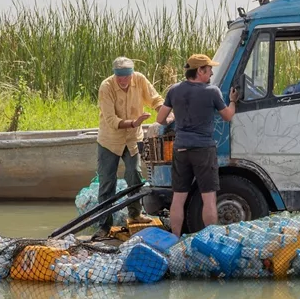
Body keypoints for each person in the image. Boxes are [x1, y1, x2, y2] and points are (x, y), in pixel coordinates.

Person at [157, 53, 239, 237]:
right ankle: (210, 238)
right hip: (203, 149)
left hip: (181, 148)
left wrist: (174, 118)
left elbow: (160, 119)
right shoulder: (212, 91)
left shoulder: (174, 90)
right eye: (209, 70)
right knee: (208, 197)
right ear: (200, 71)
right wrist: (233, 101)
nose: (211, 74)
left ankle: (175, 238)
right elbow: (227, 116)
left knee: (178, 198)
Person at [94, 57, 167, 240]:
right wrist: (134, 122)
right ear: (115, 75)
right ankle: (104, 225)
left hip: (133, 140)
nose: (123, 81)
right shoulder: (106, 86)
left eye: (126, 77)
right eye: (119, 77)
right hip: (110, 140)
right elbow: (111, 120)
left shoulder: (140, 79)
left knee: (134, 175)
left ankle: (135, 214)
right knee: (106, 183)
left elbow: (155, 98)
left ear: (132, 74)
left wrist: (166, 113)